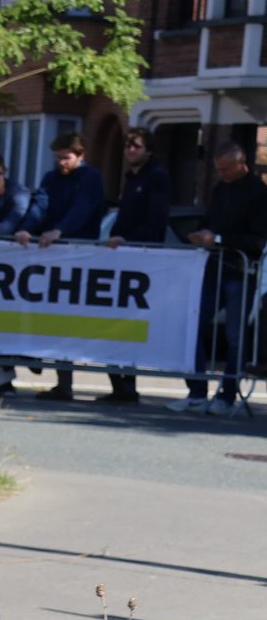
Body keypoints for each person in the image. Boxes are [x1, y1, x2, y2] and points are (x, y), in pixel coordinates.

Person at [166, 142, 267, 416]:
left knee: (235, 336)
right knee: (193, 325)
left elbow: (258, 240)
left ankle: (227, 395)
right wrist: (199, 233)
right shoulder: (221, 188)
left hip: (240, 272)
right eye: (219, 169)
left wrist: (219, 238)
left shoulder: (259, 194)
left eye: (226, 169)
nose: (222, 174)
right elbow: (210, 220)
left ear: (241, 164)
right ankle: (197, 391)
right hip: (214, 269)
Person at [15, 132, 107, 401]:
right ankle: (54, 374)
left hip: (80, 256)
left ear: (80, 156)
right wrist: (26, 228)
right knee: (49, 316)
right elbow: (39, 206)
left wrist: (60, 231)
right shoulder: (51, 178)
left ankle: (74, 382)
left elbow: (83, 209)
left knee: (71, 321)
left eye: (66, 158)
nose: (61, 163)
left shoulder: (90, 178)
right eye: (58, 158)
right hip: (53, 256)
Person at [98, 127, 172, 404]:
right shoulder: (131, 178)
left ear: (148, 150)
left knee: (131, 324)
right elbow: (124, 217)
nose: (130, 150)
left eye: (136, 146)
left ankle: (128, 384)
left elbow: (156, 221)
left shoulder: (156, 177)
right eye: (127, 145)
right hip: (122, 257)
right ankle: (118, 385)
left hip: (141, 260)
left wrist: (129, 241)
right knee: (111, 322)